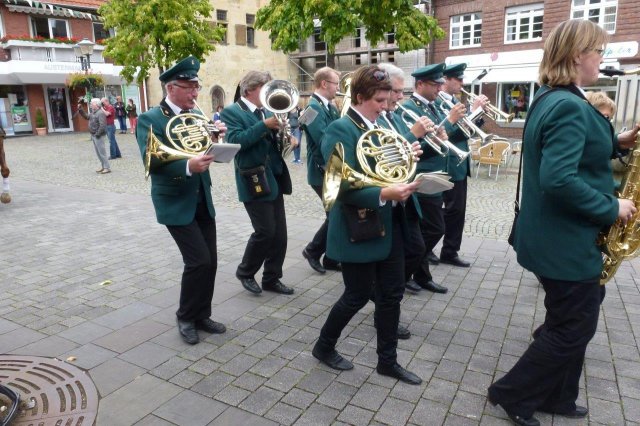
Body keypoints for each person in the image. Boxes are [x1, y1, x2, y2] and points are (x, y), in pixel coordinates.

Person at [488, 19, 640, 426]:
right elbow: (559, 179)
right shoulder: (570, 105)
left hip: (553, 237)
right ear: (578, 56)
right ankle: (511, 394)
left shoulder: (552, 97)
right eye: (599, 52)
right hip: (565, 242)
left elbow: (573, 146)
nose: (602, 59)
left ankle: (558, 395)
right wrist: (613, 208)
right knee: (572, 326)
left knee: (572, 318)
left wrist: (617, 141)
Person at [312, 65, 423, 385]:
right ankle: (324, 345)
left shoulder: (383, 125)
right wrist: (384, 192)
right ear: (360, 97)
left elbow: (387, 168)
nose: (386, 106)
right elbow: (338, 185)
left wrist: (407, 157)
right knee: (356, 296)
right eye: (380, 100)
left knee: (391, 296)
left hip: (391, 224)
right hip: (357, 228)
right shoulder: (340, 129)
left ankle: (387, 362)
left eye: (389, 99)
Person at [135, 56, 227, 345]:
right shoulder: (151, 119)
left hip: (201, 196)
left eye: (196, 87)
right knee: (197, 261)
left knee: (210, 261)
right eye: (189, 87)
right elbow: (152, 159)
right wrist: (188, 166)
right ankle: (185, 316)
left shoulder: (198, 116)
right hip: (174, 200)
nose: (195, 93)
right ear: (171, 87)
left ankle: (202, 314)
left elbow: (201, 149)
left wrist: (216, 139)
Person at [220, 71, 295, 296]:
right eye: (264, 89)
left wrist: (287, 137)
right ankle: (245, 271)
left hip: (274, 176)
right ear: (249, 90)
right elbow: (235, 142)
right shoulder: (232, 111)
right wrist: (264, 126)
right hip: (253, 178)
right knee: (265, 232)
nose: (267, 94)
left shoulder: (267, 110)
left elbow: (273, 142)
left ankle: (272, 278)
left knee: (280, 235)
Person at [401, 63, 463, 294]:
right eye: (435, 84)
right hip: (423, 175)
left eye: (440, 83)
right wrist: (446, 126)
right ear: (420, 84)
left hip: (438, 173)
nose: (440, 87)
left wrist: (445, 131)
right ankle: (405, 270)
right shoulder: (409, 108)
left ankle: (421, 274)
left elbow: (442, 137)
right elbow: (416, 147)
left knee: (429, 227)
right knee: (434, 228)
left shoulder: (434, 106)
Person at [436, 63, 488, 268]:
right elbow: (449, 133)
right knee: (443, 211)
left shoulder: (455, 101)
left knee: (457, 211)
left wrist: (478, 116)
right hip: (447, 162)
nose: (462, 83)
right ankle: (432, 249)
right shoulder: (439, 103)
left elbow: (468, 131)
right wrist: (474, 112)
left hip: (459, 163)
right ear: (445, 80)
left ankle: (450, 251)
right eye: (458, 79)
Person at [301, 67, 342, 274]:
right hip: (321, 172)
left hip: (331, 170)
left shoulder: (330, 107)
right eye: (336, 83)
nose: (338, 88)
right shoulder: (311, 109)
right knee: (335, 215)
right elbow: (324, 140)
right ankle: (312, 250)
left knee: (336, 215)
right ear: (324, 84)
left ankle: (332, 258)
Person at [77, 98, 111, 174]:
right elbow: (86, 117)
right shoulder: (93, 112)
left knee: (102, 152)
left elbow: (102, 125)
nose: (91, 105)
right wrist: (81, 110)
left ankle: (107, 167)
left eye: (92, 103)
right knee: (98, 153)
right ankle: (103, 166)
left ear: (96, 104)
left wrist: (97, 134)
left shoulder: (100, 113)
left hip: (98, 135)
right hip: (94, 135)